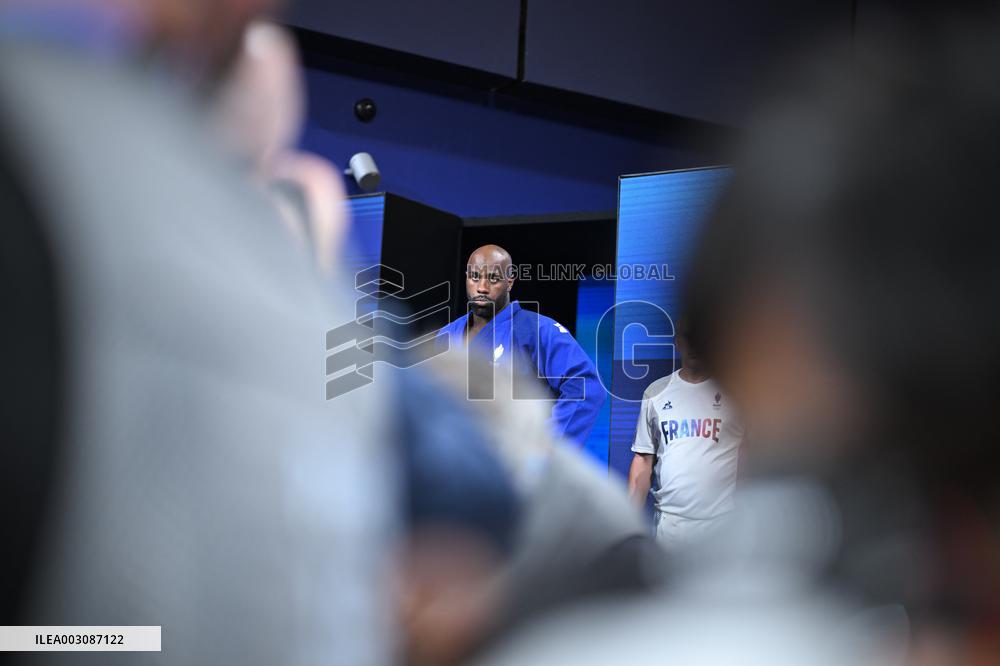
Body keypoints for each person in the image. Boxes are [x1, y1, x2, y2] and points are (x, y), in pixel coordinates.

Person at [437, 244, 607, 447]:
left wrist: (544, 447)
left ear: (509, 282)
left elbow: (585, 386)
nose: (482, 287)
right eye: (474, 277)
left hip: (510, 463)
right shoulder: (447, 335)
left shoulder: (536, 329)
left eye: (493, 278)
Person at [627, 318, 744, 551]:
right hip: (671, 526)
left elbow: (752, 453)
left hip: (722, 526)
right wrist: (628, 523)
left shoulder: (736, 392)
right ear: (678, 342)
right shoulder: (656, 392)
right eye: (687, 338)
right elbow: (643, 459)